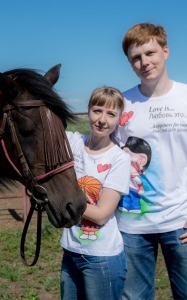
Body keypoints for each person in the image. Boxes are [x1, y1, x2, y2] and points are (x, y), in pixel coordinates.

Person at [114, 22, 187, 300]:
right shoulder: (121, 103)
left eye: (150, 53)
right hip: (133, 226)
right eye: (136, 57)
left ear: (165, 51)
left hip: (180, 223)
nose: (144, 62)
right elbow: (94, 143)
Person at [60, 87, 131, 300]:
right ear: (88, 110)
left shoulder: (119, 159)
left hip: (102, 258)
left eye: (111, 114)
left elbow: (101, 214)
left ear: (119, 119)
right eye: (97, 110)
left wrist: (65, 196)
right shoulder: (73, 142)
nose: (102, 119)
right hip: (70, 250)